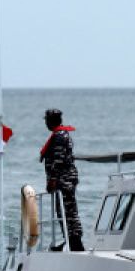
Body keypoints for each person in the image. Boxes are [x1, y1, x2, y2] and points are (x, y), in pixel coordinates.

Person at [40, 108, 84, 251]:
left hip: (63, 180)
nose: (45, 123)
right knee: (67, 211)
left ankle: (75, 242)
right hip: (66, 179)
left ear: (51, 121)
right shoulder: (62, 134)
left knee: (67, 212)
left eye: (46, 120)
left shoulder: (59, 136)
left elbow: (58, 160)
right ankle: (70, 241)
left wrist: (52, 180)